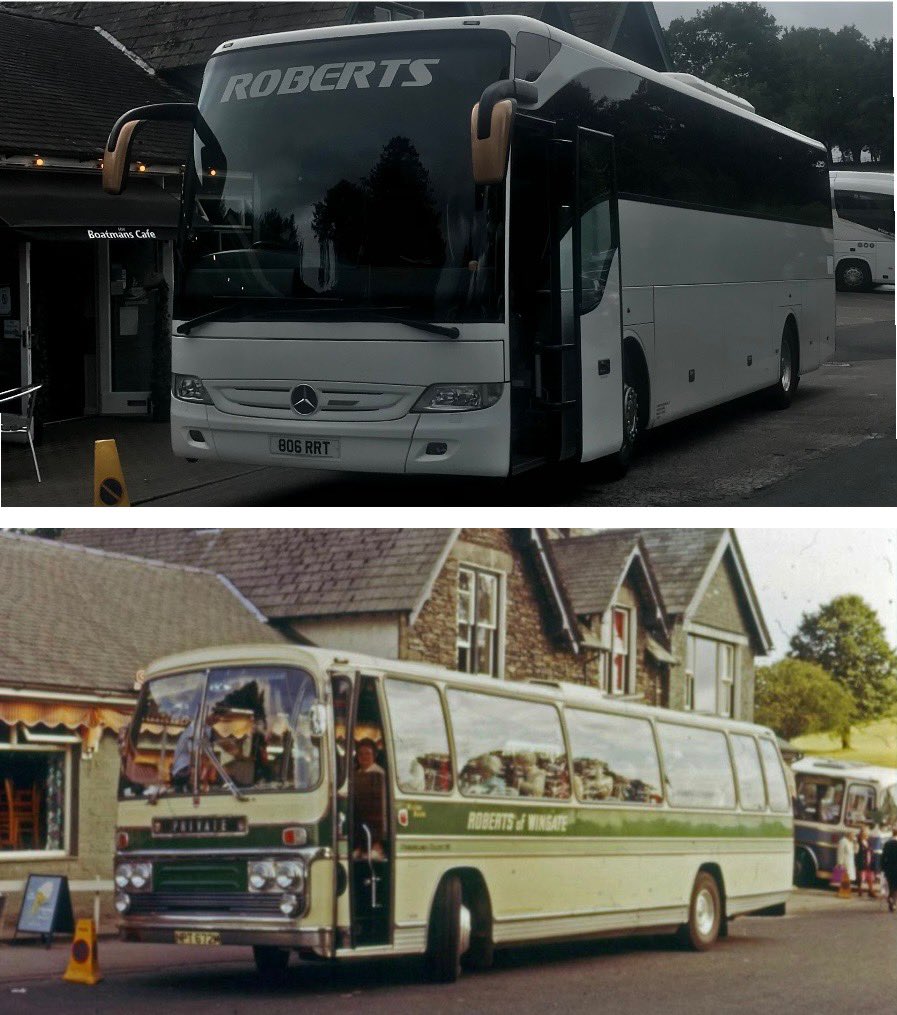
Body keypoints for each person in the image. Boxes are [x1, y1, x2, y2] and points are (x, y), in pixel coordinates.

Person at [856, 826, 875, 897]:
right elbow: (856, 852)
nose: (867, 834)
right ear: (861, 833)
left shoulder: (868, 842)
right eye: (865, 832)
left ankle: (871, 891)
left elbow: (871, 851)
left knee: (870, 876)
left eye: (867, 832)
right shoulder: (858, 842)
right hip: (862, 861)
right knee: (861, 877)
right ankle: (859, 890)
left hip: (869, 861)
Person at [881, 826, 897, 913]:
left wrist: (883, 868)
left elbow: (883, 857)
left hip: (889, 869)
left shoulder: (887, 844)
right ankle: (893, 902)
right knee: (895, 887)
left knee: (891, 885)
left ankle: (891, 901)